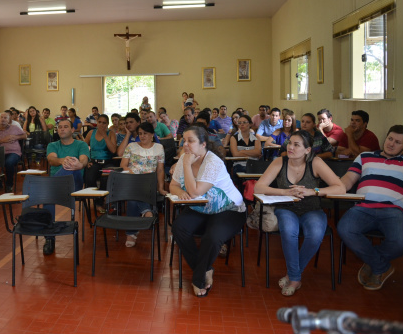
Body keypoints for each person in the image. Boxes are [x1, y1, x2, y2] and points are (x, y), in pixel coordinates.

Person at [254, 131, 344, 296]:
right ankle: (295, 279)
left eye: (296, 145)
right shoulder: (280, 162)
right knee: (289, 232)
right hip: (286, 208)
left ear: (307, 150)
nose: (290, 148)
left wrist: (312, 191)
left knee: (315, 235)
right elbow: (259, 188)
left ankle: (292, 274)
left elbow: (340, 187)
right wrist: (285, 193)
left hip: (312, 209)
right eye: (290, 143)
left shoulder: (315, 162)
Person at [170, 125, 246, 298]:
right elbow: (173, 186)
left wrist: (187, 164)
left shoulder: (213, 162)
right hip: (201, 207)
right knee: (179, 228)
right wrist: (180, 192)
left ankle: (198, 279)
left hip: (229, 209)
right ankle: (205, 269)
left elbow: (195, 191)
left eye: (191, 141)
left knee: (212, 237)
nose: (186, 145)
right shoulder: (184, 159)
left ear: (203, 144)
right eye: (184, 141)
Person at [337, 125, 403, 291]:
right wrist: (334, 188)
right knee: (345, 229)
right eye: (390, 139)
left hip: (393, 210)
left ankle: (374, 262)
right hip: (363, 207)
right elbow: (348, 180)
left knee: (400, 241)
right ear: (385, 138)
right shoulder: (365, 156)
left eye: (398, 142)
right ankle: (381, 266)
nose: (391, 144)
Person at [44, 118, 90, 254]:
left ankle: (49, 190)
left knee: (69, 169)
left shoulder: (81, 144)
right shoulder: (52, 145)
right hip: (56, 185)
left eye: (65, 127)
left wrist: (78, 165)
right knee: (48, 198)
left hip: (74, 184)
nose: (62, 129)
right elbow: (51, 159)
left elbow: (84, 160)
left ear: (72, 130)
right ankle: (49, 238)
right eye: (60, 127)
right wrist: (63, 160)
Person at [120, 122, 166, 248]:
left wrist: (161, 188)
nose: (142, 136)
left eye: (145, 133)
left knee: (133, 200)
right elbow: (123, 165)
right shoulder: (131, 146)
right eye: (140, 133)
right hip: (132, 180)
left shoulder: (158, 148)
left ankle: (131, 233)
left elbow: (160, 170)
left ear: (152, 134)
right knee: (133, 193)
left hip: (149, 182)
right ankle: (147, 211)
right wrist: (131, 171)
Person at [84, 114, 118, 211]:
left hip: (108, 162)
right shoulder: (91, 133)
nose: (102, 125)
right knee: (89, 177)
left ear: (107, 124)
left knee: (105, 178)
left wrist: (104, 135)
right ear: (97, 123)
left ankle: (100, 201)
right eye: (100, 122)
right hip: (94, 161)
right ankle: (97, 200)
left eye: (104, 123)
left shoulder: (111, 133)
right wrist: (86, 160)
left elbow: (113, 150)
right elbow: (83, 148)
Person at [0, 112, 26, 191]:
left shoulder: (14, 127)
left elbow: (24, 136)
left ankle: (9, 184)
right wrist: (2, 140)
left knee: (8, 163)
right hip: (0, 153)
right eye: (2, 117)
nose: (3, 119)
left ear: (9, 120)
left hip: (14, 152)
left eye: (5, 118)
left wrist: (15, 137)